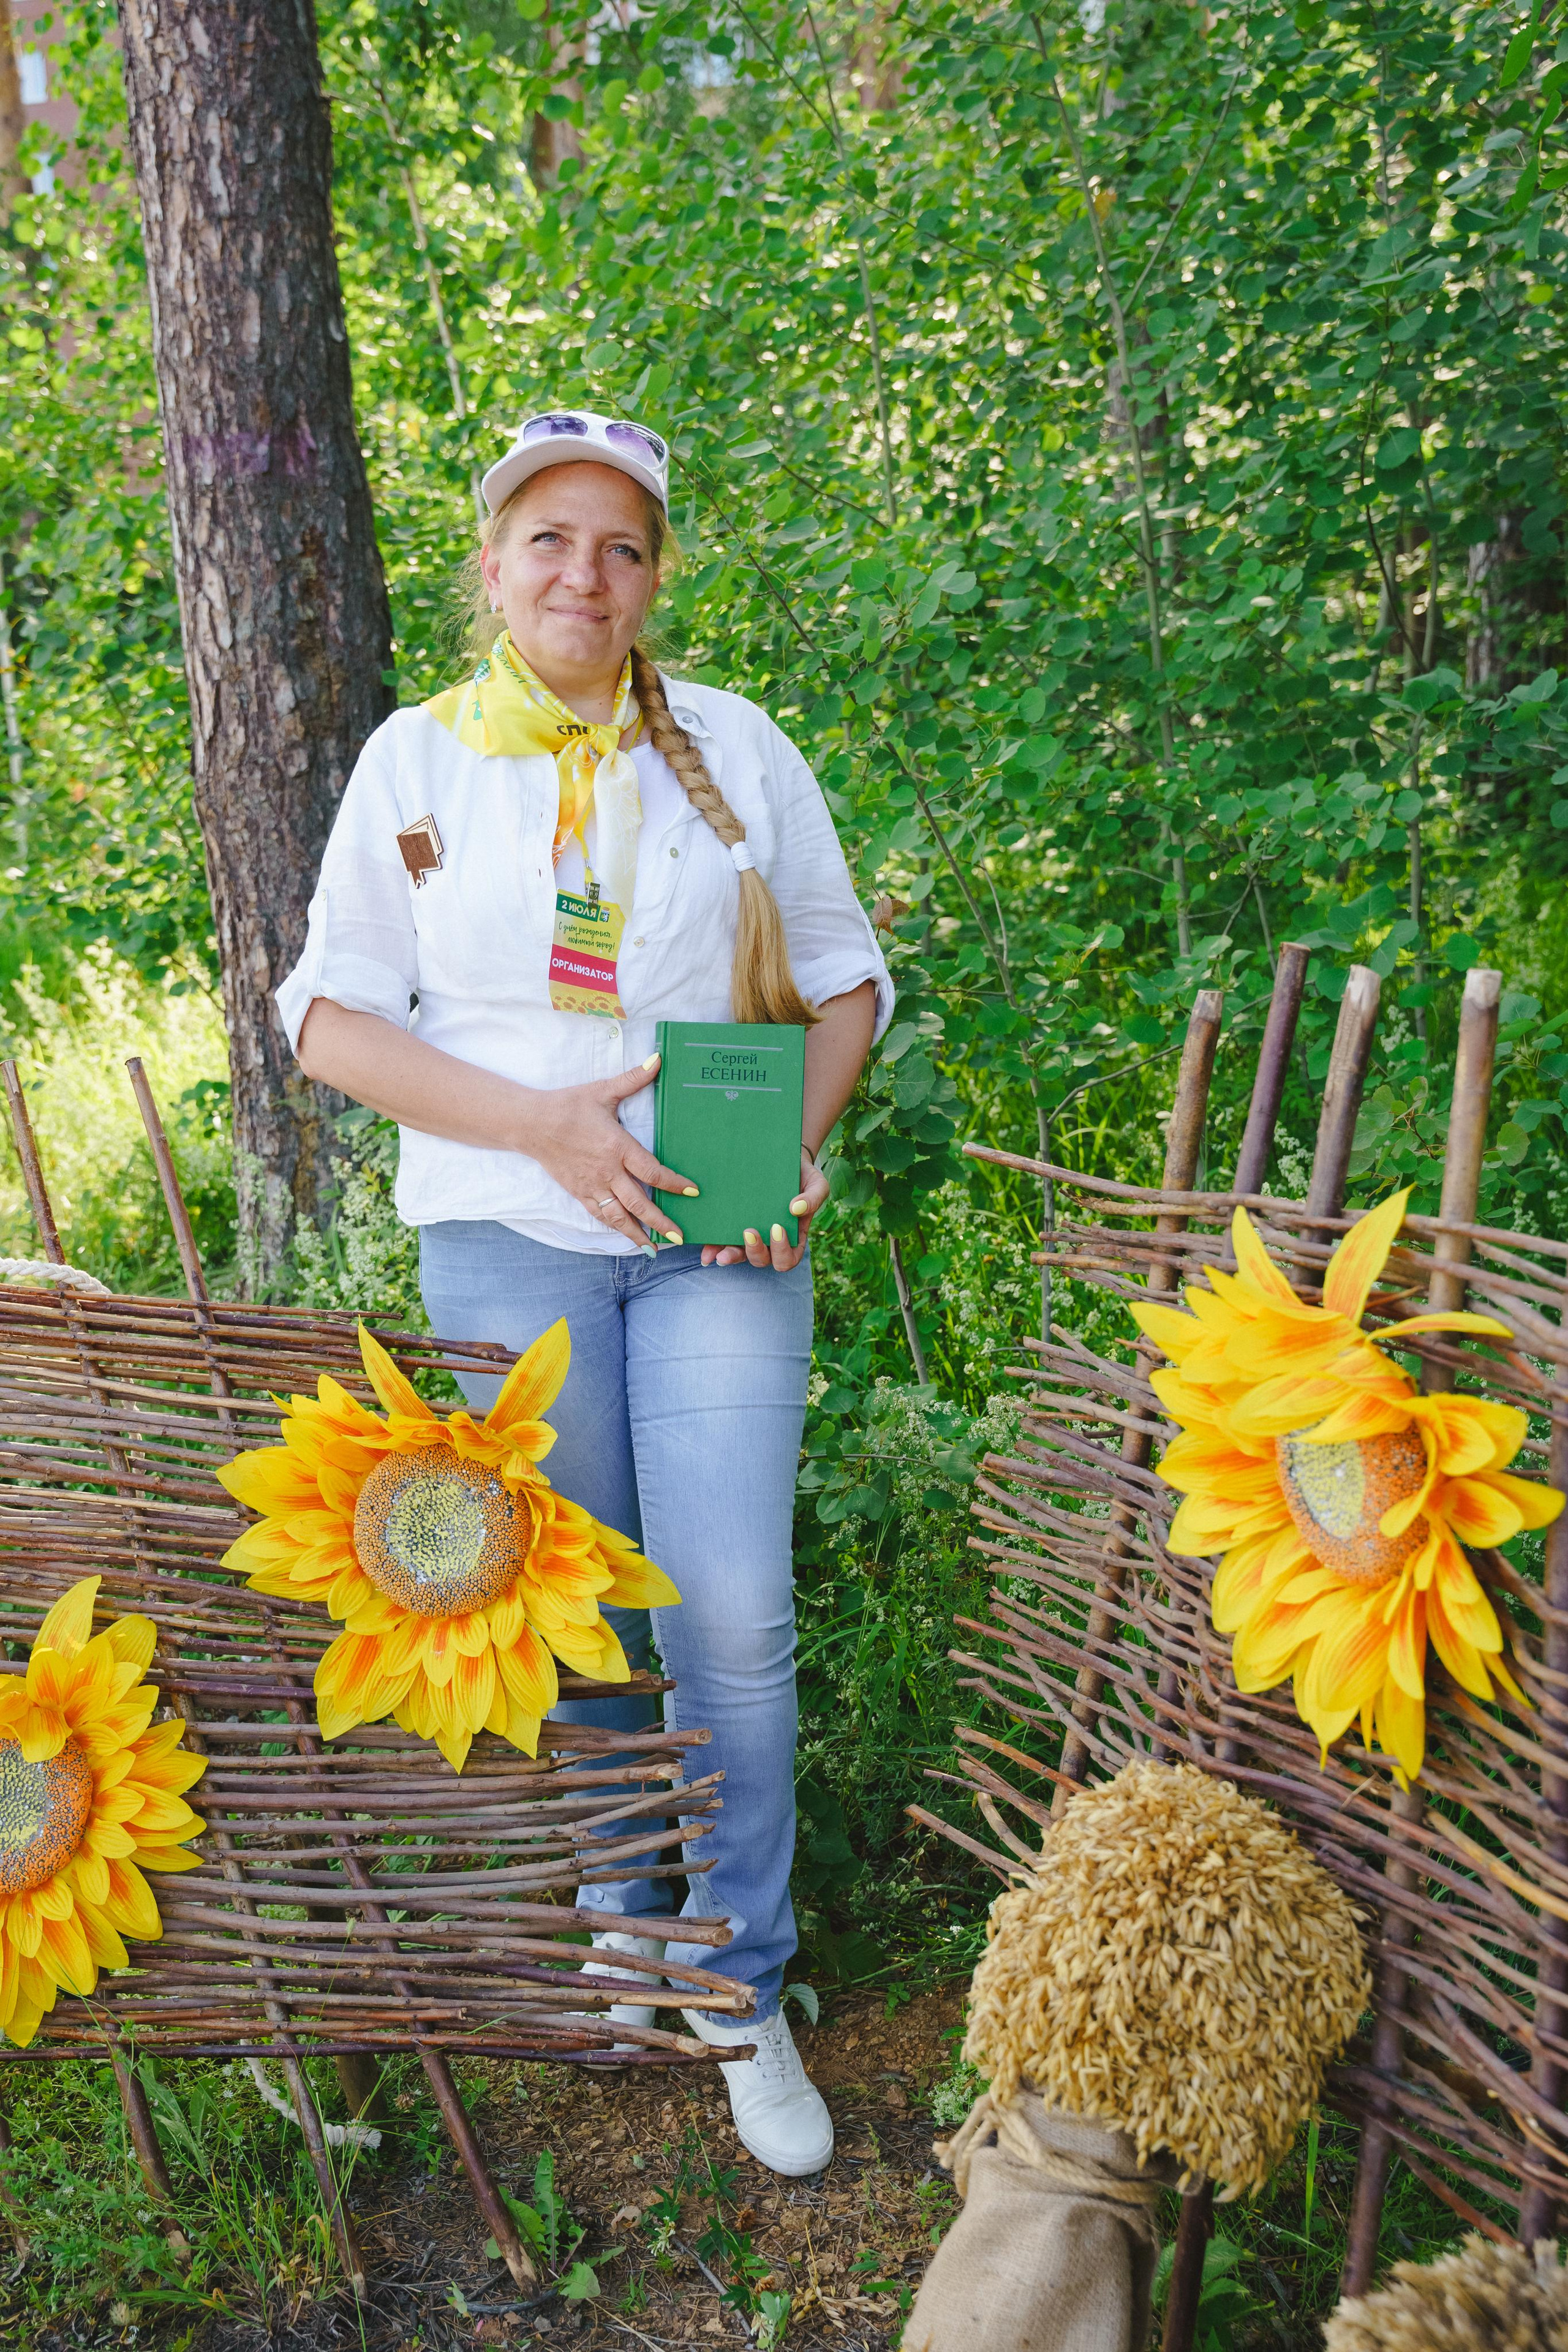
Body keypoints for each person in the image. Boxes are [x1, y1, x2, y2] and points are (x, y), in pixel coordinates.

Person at [276, 409, 891, 2176]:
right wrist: (540, 1127)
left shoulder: (742, 749)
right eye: (549, 539)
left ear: (655, 577)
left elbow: (845, 983)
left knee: (736, 1618)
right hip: (503, 1228)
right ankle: (628, 1897)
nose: (584, 575)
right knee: (580, 1604)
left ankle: (738, 1976)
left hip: (716, 1235)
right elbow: (326, 1021)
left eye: (620, 547)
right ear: (493, 561)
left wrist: (781, 1151)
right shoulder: (415, 764)